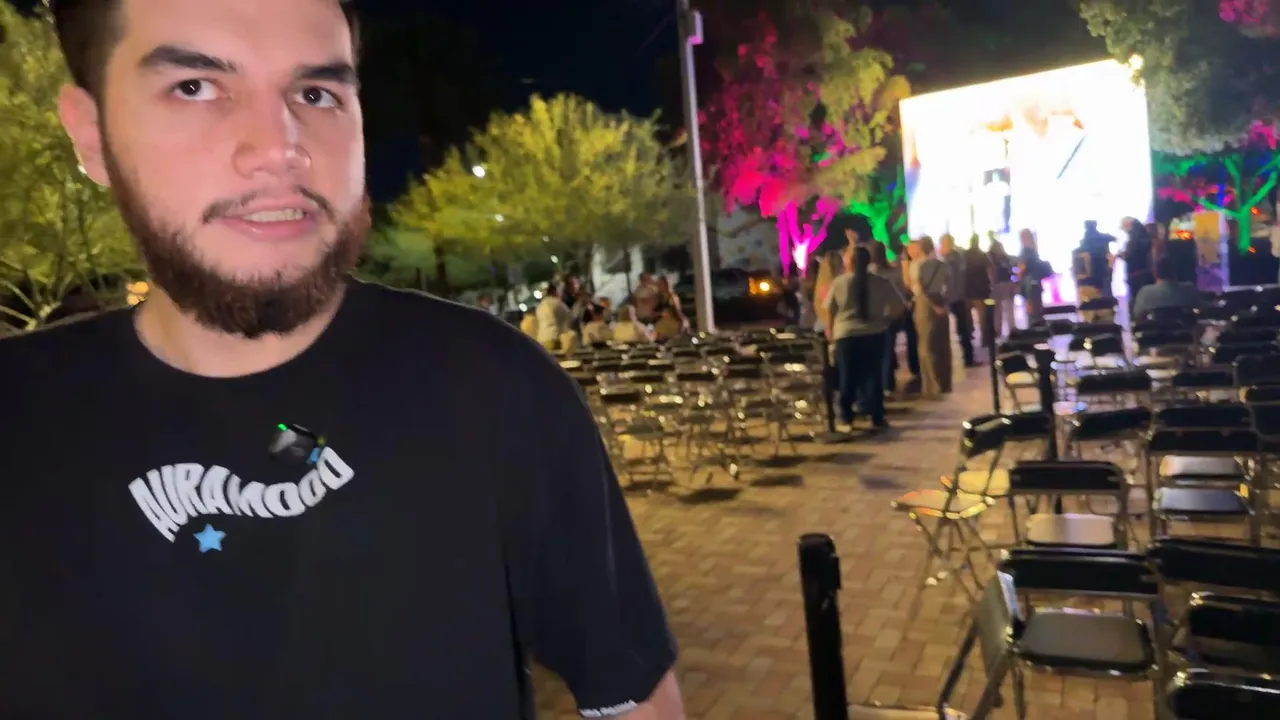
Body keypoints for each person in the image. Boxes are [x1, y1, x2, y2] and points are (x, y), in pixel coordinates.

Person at [0, 1, 684, 718]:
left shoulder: (495, 389)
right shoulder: (18, 418)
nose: (280, 147)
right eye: (195, 87)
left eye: (316, 92)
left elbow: (633, 699)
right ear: (92, 134)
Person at [825, 244, 904, 430]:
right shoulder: (881, 282)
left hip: (846, 335)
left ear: (850, 262)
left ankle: (846, 418)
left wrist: (830, 331)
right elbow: (899, 305)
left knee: (847, 377)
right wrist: (885, 320)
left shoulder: (840, 283)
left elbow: (830, 309)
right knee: (873, 376)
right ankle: (877, 417)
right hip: (874, 333)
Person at [910, 237, 952, 398]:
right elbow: (950, 286)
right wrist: (943, 305)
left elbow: (918, 288)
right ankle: (945, 383)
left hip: (925, 306)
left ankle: (931, 386)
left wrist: (933, 306)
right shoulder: (942, 264)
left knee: (926, 347)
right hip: (942, 304)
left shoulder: (918, 265)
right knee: (943, 346)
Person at [870, 243, 911, 395]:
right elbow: (902, 292)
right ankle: (889, 383)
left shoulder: (871, 273)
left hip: (877, 317)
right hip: (892, 316)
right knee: (888, 349)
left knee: (881, 352)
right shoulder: (894, 272)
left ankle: (885, 383)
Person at [939, 234, 975, 367]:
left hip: (956, 298)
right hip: (959, 297)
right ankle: (968, 357)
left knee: (962, 328)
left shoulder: (950, 260)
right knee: (964, 327)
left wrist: (947, 297)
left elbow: (951, 282)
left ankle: (968, 358)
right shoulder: (957, 258)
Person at [1132, 254, 1203, 321]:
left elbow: (1137, 316)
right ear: (1175, 271)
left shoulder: (1144, 293)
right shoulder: (1190, 290)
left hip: (1153, 329)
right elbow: (1201, 311)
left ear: (1155, 273)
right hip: (1185, 330)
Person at [1073, 220, 1116, 323]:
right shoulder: (1103, 239)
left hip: (1087, 283)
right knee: (1106, 312)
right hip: (1103, 278)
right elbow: (1114, 239)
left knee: (1089, 313)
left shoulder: (1083, 245)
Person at [963, 233, 994, 351]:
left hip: (968, 289)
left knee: (968, 317)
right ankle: (984, 339)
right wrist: (990, 284)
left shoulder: (965, 255)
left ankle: (970, 334)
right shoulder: (982, 255)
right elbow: (990, 270)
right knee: (982, 317)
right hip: (980, 290)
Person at [1121, 216, 1155, 318]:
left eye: (1123, 227)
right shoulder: (1144, 235)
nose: (1123, 230)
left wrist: (1121, 255)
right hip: (1146, 273)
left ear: (1128, 225)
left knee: (1136, 300)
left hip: (1136, 274)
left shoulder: (1135, 238)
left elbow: (1131, 254)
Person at [987, 234, 1016, 337]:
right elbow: (1011, 271)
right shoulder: (1006, 258)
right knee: (1009, 308)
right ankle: (1012, 329)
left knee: (998, 310)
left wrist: (991, 283)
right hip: (1006, 284)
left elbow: (990, 272)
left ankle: (998, 330)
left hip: (997, 285)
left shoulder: (991, 258)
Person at [1017, 228, 1048, 324]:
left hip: (1028, 284)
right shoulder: (1033, 251)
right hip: (1036, 282)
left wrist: (1018, 278)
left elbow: (1022, 268)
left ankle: (1033, 327)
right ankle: (1039, 326)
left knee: (1031, 309)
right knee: (1037, 308)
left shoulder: (1025, 252)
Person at [535, 283, 572, 351]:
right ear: (554, 291)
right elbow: (568, 316)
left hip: (541, 338)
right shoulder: (557, 303)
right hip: (554, 337)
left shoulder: (540, 306)